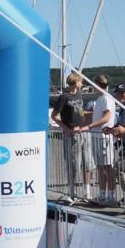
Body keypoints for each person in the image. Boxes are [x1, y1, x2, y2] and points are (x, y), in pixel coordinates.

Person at [51, 72, 93, 204]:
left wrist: (91, 115)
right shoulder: (64, 97)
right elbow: (55, 116)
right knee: (74, 164)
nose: (82, 83)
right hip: (72, 134)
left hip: (83, 132)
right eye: (80, 81)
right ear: (75, 82)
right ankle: (71, 192)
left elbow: (79, 111)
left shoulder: (80, 95)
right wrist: (66, 128)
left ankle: (87, 192)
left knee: (88, 163)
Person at [85, 75, 118, 206]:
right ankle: (103, 194)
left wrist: (88, 127)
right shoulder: (99, 99)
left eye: (93, 85)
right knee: (100, 166)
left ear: (98, 85)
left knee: (108, 167)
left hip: (104, 136)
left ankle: (111, 196)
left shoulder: (107, 99)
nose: (92, 87)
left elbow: (106, 118)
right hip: (97, 136)